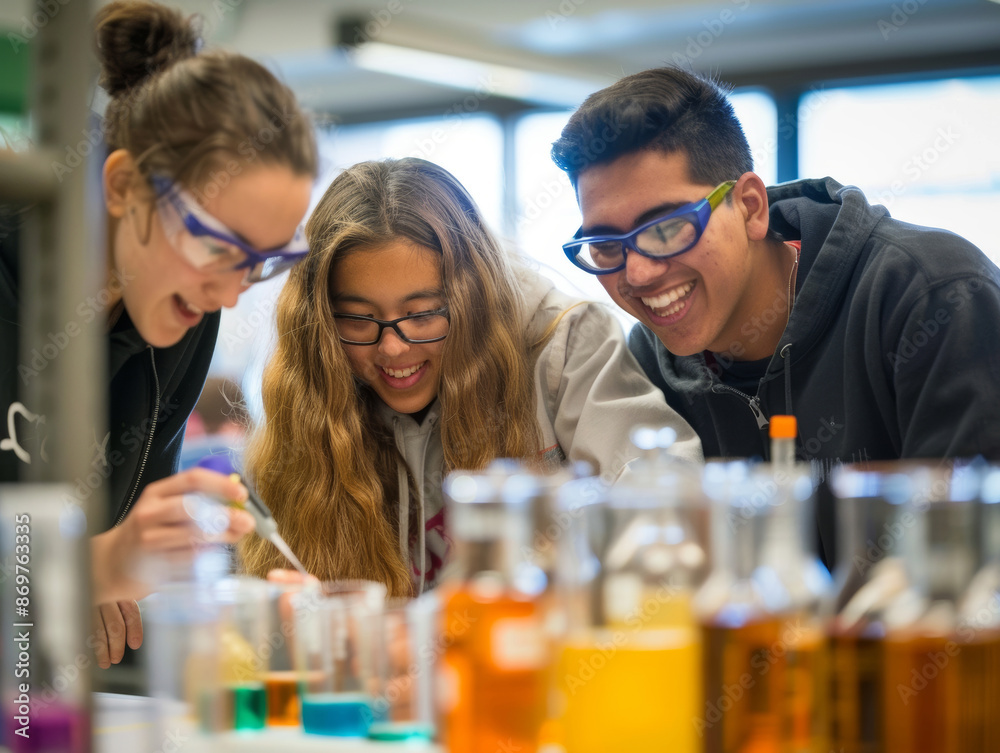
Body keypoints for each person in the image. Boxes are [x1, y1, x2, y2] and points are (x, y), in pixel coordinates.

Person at [550, 66, 1000, 561]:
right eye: (605, 245)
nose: (637, 275)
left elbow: (971, 566)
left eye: (667, 228)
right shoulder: (650, 364)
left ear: (749, 206)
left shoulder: (929, 296)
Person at [0, 1, 317, 667]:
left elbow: (101, 583)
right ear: (122, 185)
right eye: (215, 246)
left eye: (259, 262)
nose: (231, 293)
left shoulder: (180, 315)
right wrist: (91, 563)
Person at [238, 157, 702, 596]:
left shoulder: (558, 342)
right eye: (358, 319)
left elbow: (666, 501)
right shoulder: (315, 383)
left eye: (421, 315)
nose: (392, 348)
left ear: (469, 299)